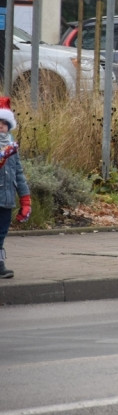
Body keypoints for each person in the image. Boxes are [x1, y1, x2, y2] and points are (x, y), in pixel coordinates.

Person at [0, 98, 30, 279]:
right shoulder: (7, 149)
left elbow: (18, 173)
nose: (1, 126)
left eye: (5, 123)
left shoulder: (12, 145)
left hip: (6, 198)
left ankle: (0, 263)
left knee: (2, 233)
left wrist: (25, 199)